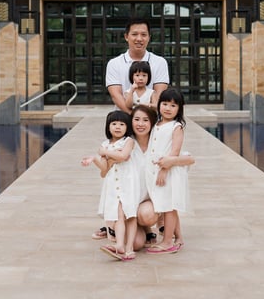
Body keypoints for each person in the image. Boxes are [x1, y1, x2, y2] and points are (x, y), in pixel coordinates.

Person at [127, 104, 194, 252]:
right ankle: (145, 231)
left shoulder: (157, 141)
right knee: (136, 244)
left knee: (153, 211)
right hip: (130, 204)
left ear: (152, 123)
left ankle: (157, 231)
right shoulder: (127, 143)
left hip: (148, 203)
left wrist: (168, 164)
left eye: (145, 120)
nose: (140, 124)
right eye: (136, 119)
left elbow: (189, 159)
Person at [81, 110, 139, 261]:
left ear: (127, 127)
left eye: (122, 124)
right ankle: (119, 245)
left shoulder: (129, 141)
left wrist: (105, 152)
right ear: (108, 126)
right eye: (114, 124)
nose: (118, 127)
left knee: (130, 214)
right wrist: (94, 159)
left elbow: (123, 156)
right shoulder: (105, 144)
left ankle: (129, 247)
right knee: (118, 215)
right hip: (113, 184)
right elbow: (105, 168)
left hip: (128, 182)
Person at [144, 89, 190, 254]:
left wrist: (164, 170)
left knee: (169, 207)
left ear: (179, 109)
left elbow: (174, 152)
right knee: (168, 205)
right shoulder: (157, 123)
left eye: (173, 105)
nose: (168, 108)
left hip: (168, 172)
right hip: (155, 171)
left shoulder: (176, 127)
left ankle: (167, 241)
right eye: (164, 104)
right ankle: (179, 238)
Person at [106, 17, 169, 113]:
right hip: (122, 120)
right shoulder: (114, 64)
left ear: (149, 37)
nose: (139, 39)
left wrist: (144, 118)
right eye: (134, 34)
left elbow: (159, 95)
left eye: (144, 35)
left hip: (151, 118)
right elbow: (116, 96)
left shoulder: (160, 62)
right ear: (126, 37)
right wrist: (135, 117)